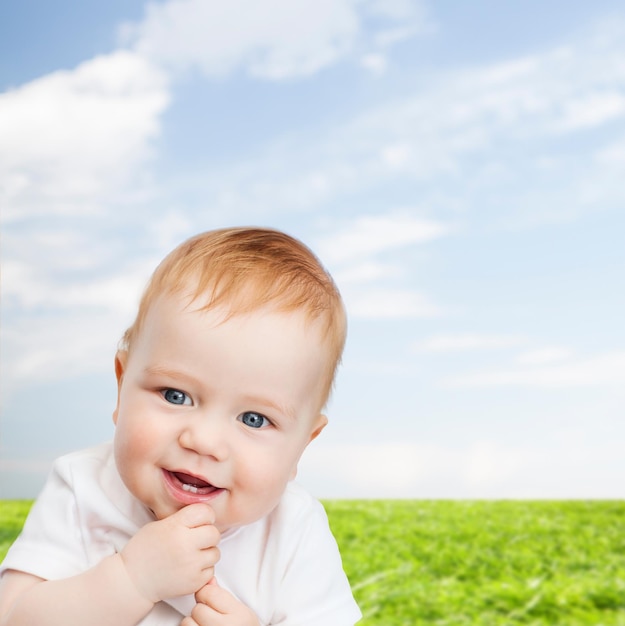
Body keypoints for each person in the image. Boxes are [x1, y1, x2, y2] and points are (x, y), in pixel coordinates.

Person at [0, 227, 361, 626]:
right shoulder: (83, 488)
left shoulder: (294, 532)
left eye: (253, 419)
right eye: (175, 395)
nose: (203, 442)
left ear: (301, 447)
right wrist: (130, 581)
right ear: (122, 387)